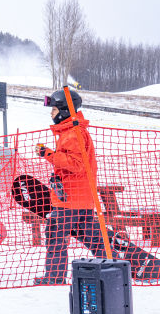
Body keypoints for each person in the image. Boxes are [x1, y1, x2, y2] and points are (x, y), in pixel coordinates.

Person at [33, 87, 107, 285]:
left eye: (54, 110)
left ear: (65, 111)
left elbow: (76, 164)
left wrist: (47, 154)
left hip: (69, 200)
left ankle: (54, 277)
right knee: (95, 240)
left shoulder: (72, 134)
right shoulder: (72, 131)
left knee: (55, 237)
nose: (51, 113)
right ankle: (110, 269)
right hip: (81, 198)